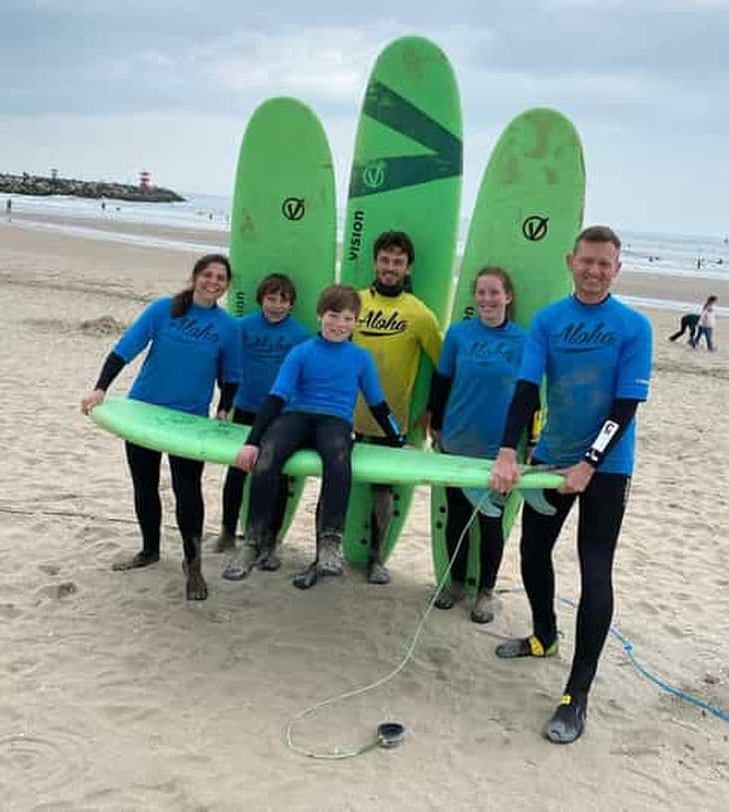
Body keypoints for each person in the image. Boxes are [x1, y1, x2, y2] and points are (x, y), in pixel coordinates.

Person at [489, 226, 652, 744]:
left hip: (607, 467)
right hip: (552, 458)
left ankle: (575, 694)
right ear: (570, 261)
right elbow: (524, 389)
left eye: (605, 264)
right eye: (587, 261)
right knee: (532, 554)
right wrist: (509, 449)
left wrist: (589, 463)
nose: (594, 271)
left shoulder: (634, 326)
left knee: (594, 570)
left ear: (617, 269)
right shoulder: (548, 320)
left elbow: (625, 406)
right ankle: (543, 636)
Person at [81, 254, 243, 601]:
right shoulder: (162, 309)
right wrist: (100, 387)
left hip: (190, 420)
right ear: (195, 277)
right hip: (143, 411)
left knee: (188, 489)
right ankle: (150, 549)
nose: (213, 282)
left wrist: (224, 409)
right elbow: (124, 350)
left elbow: (231, 376)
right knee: (145, 483)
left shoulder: (228, 327)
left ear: (226, 285)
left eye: (221, 278)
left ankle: (192, 562)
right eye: (208, 275)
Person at [223, 284, 404, 588]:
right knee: (268, 456)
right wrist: (252, 441)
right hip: (296, 415)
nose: (339, 324)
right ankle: (252, 542)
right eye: (334, 316)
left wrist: (397, 439)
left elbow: (377, 403)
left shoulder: (360, 358)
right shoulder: (302, 352)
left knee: (338, 456)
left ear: (356, 322)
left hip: (334, 421)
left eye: (348, 318)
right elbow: (277, 397)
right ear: (321, 315)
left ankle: (330, 543)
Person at [428, 267, 526, 623]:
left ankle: (485, 591)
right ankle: (455, 584)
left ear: (508, 297)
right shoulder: (459, 334)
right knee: (456, 516)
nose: (487, 299)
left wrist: (524, 442)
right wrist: (435, 422)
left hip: (497, 446)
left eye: (494, 292)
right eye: (481, 292)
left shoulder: (522, 341)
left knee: (490, 520)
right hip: (457, 436)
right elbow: (442, 380)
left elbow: (528, 395)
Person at [353, 231, 442, 584]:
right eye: (385, 260)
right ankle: (324, 551)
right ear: (375, 262)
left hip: (391, 418)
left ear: (408, 268)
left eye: (398, 262)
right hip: (347, 413)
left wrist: (435, 409)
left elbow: (444, 366)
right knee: (336, 480)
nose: (390, 268)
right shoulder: (355, 303)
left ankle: (376, 558)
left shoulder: (419, 314)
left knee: (382, 490)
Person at [213, 274, 309, 558]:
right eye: (271, 299)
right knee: (236, 472)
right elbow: (223, 361)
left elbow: (304, 378)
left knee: (275, 477)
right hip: (243, 407)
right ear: (260, 300)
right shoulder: (242, 327)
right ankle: (228, 532)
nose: (276, 305)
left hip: (280, 414)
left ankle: (270, 540)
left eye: (283, 300)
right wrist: (223, 398)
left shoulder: (300, 335)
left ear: (291, 304)